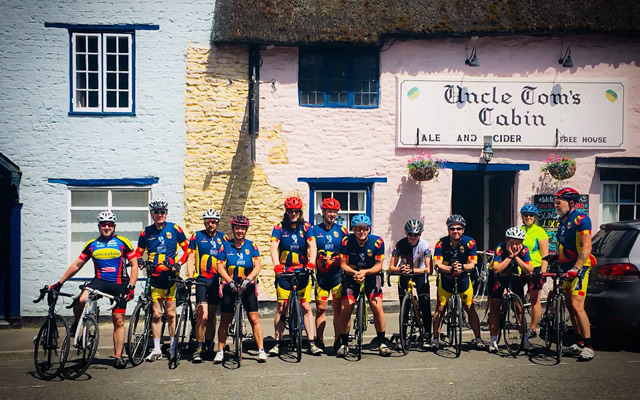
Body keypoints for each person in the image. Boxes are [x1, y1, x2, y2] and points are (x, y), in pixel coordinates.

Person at [49, 211, 138, 369]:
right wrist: (60, 282)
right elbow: (77, 265)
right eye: (103, 224)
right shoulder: (92, 244)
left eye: (109, 224)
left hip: (119, 283)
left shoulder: (123, 242)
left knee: (118, 320)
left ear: (114, 226)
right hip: (100, 281)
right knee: (81, 299)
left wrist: (131, 287)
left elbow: (134, 265)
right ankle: (77, 323)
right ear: (99, 227)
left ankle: (118, 356)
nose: (106, 227)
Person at [135, 197, 189, 362]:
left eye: (162, 212)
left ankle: (173, 345)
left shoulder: (175, 229)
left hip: (170, 278)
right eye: (156, 212)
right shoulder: (146, 232)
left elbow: (187, 250)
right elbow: (138, 252)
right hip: (155, 279)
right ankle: (157, 348)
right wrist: (140, 261)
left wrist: (179, 263)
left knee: (171, 314)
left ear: (166, 213)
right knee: (157, 314)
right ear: (152, 214)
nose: (160, 214)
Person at [269, 196, 322, 356]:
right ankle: (277, 343)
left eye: (296, 211)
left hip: (302, 272)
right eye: (290, 211)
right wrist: (276, 265)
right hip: (284, 272)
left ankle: (311, 342)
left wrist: (312, 262)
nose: (293, 214)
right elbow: (273, 246)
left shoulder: (306, 227)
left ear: (300, 212)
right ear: (286, 212)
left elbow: (313, 245)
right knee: (281, 308)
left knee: (306, 307)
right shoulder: (279, 227)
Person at [336, 214, 393, 357]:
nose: (362, 231)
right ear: (353, 229)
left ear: (368, 229)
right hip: (351, 275)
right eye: (358, 229)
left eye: (365, 229)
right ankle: (344, 344)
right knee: (346, 307)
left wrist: (365, 273)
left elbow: (379, 265)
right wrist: (356, 273)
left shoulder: (377, 242)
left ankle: (382, 342)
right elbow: (343, 264)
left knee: (377, 306)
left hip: (371, 275)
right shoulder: (346, 241)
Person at [214, 215, 267, 363]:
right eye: (237, 228)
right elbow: (219, 266)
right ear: (233, 229)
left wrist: (249, 279)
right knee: (225, 319)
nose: (239, 231)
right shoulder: (225, 246)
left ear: (246, 230)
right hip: (230, 286)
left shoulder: (252, 246)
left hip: (247, 286)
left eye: (242, 228)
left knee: (254, 318)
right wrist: (229, 281)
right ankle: (220, 350)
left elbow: (257, 265)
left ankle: (261, 350)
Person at [554, 187, 597, 361]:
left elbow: (586, 247)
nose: (556, 205)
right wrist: (554, 255)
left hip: (581, 267)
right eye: (555, 203)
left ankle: (588, 345)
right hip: (566, 267)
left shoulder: (581, 219)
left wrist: (577, 268)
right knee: (569, 305)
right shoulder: (563, 220)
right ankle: (578, 341)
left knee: (577, 304)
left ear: (571, 203)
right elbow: (565, 245)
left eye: (559, 202)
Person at [431, 214, 485, 350]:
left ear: (463, 230)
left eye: (459, 229)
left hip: (463, 279)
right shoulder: (440, 243)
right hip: (446, 278)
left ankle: (478, 338)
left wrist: (462, 267)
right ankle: (435, 339)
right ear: (448, 230)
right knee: (440, 308)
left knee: (470, 308)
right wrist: (450, 268)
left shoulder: (470, 242)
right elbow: (437, 264)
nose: (455, 231)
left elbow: (473, 264)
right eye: (452, 228)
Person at [185, 208, 228, 363]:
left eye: (214, 221)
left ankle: (209, 346)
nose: (211, 224)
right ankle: (198, 348)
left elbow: (229, 257)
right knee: (202, 316)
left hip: (217, 282)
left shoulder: (223, 237)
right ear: (205, 222)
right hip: (202, 280)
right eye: (209, 221)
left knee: (211, 317)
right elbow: (190, 257)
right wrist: (190, 276)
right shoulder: (197, 236)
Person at [487, 227, 534, 353]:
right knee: (495, 308)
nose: (514, 246)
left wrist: (516, 257)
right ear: (507, 241)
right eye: (512, 243)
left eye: (518, 243)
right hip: (497, 277)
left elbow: (529, 270)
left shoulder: (524, 250)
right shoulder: (500, 248)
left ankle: (525, 341)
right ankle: (493, 341)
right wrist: (509, 256)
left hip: (513, 276)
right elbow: (497, 269)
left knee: (519, 309)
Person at [388, 219, 433, 349]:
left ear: (420, 234)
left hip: (419, 273)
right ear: (406, 233)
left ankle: (427, 336)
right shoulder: (400, 244)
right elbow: (391, 266)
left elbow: (429, 269)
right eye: (410, 234)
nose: (413, 237)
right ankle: (403, 337)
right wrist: (401, 269)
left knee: (425, 302)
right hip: (405, 274)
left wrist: (413, 270)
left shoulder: (424, 245)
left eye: (416, 235)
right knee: (404, 306)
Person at [311, 197, 348, 352]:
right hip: (321, 276)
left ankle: (338, 340)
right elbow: (309, 251)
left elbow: (346, 252)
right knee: (321, 309)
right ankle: (319, 341)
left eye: (334, 212)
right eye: (329, 211)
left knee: (338, 308)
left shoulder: (342, 231)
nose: (332, 214)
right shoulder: (314, 230)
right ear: (323, 212)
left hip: (337, 275)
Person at [519, 204, 549, 340]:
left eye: (531, 216)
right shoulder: (519, 230)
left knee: (534, 299)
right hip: (521, 268)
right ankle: (521, 325)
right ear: (522, 217)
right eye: (526, 215)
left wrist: (542, 271)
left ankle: (532, 328)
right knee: (517, 299)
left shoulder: (540, 232)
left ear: (535, 217)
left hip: (535, 267)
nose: (528, 218)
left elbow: (545, 254)